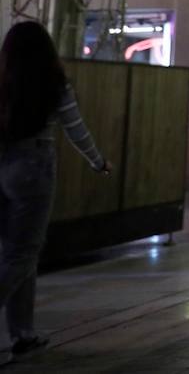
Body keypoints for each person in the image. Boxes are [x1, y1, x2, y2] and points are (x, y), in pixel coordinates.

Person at [0, 21, 111, 363]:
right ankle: (22, 332)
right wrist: (97, 160)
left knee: (16, 250)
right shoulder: (53, 82)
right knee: (24, 252)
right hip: (34, 166)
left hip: (2, 163)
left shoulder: (2, 81)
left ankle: (23, 333)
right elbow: (75, 128)